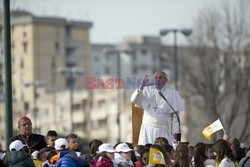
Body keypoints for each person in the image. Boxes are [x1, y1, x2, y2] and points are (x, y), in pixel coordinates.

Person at [130, 71, 183, 145]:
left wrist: (175, 140)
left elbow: (175, 119)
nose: (158, 80)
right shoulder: (146, 90)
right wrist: (141, 87)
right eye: (156, 78)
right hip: (148, 129)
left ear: (166, 81)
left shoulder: (173, 93)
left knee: (163, 152)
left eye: (161, 78)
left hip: (164, 130)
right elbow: (134, 100)